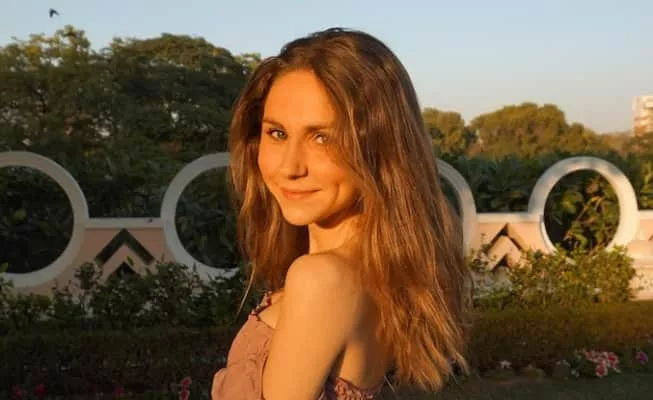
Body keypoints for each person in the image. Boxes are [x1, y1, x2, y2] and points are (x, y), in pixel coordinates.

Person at [211, 27, 472, 400]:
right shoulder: (378, 268)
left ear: (378, 148)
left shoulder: (321, 279)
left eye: (323, 138)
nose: (290, 167)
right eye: (277, 133)